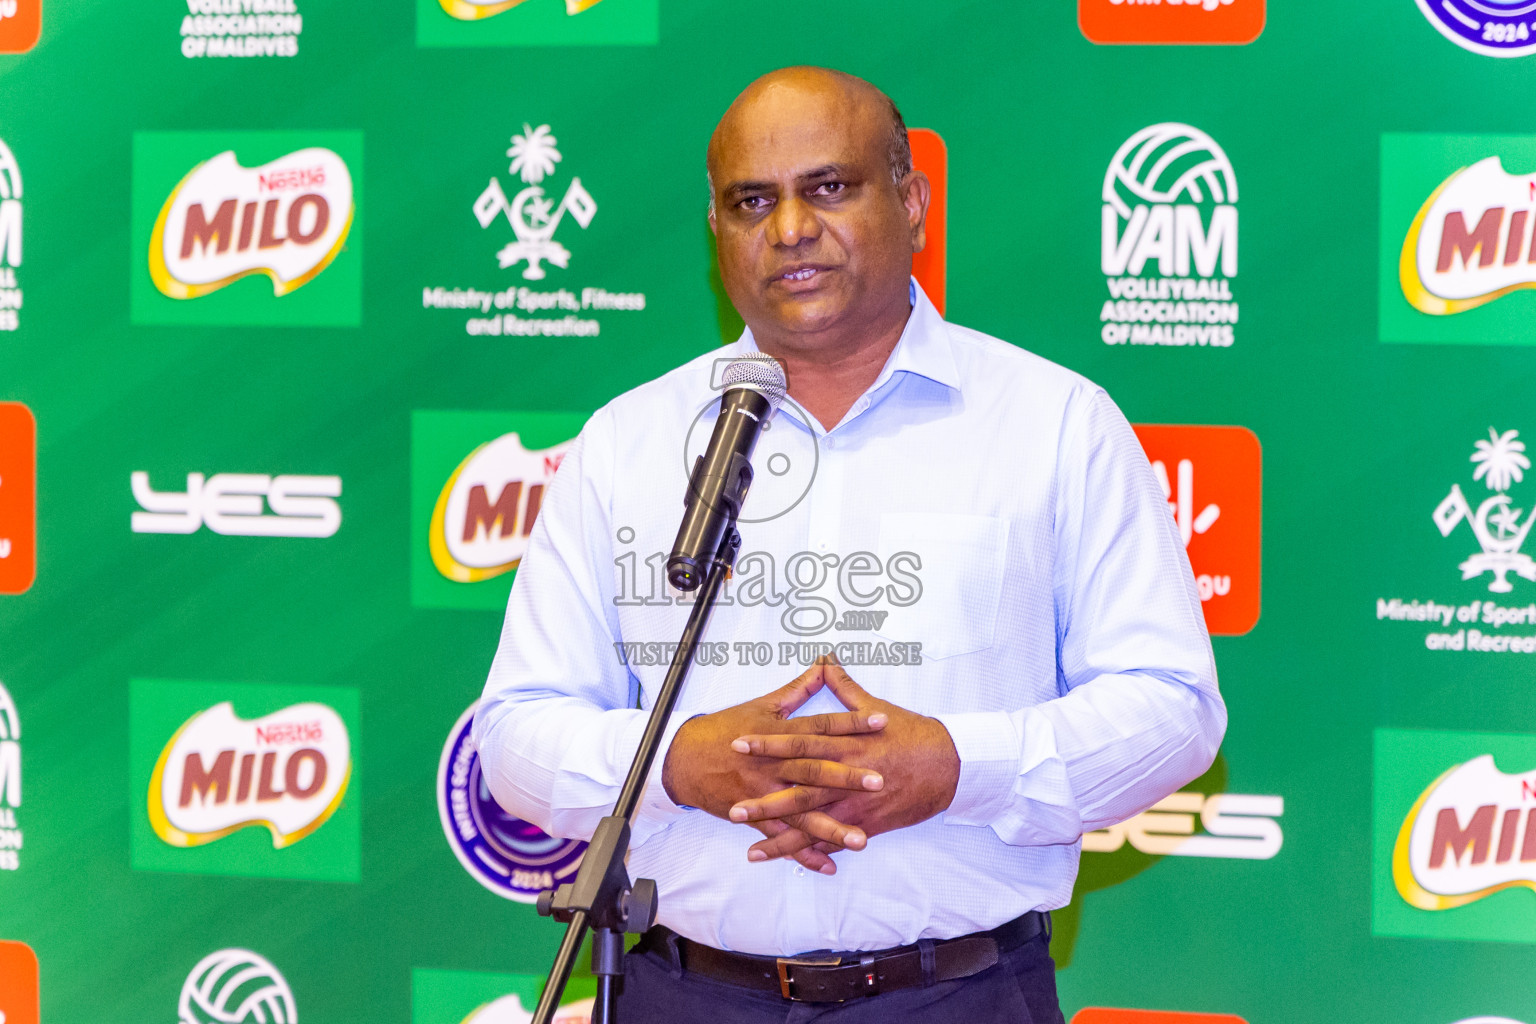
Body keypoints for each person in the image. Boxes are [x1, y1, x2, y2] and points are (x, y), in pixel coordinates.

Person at [473, 66, 1226, 1023]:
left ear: (910, 203)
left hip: (957, 996)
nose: (790, 227)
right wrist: (677, 765)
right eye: (753, 201)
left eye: (829, 188)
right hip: (685, 993)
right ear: (717, 233)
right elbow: (515, 730)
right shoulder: (632, 441)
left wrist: (958, 765)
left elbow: (1173, 710)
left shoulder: (1054, 424)